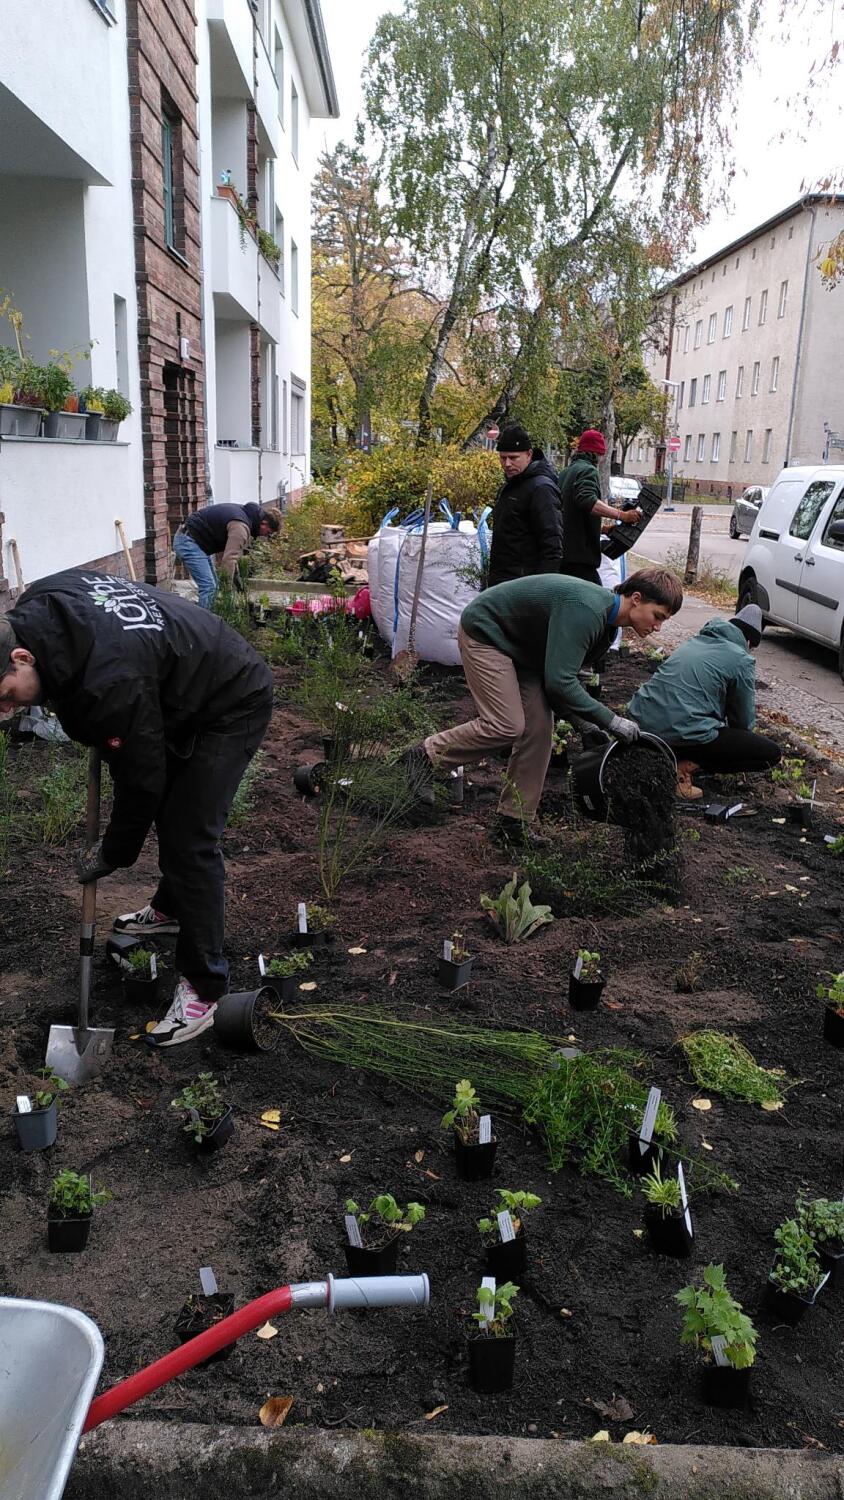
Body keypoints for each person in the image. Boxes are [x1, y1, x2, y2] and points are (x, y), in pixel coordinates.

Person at [0, 569, 273, 1046]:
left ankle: (206, 988)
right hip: (172, 686)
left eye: (4, 696)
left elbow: (141, 782)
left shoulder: (108, 683)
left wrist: (113, 854)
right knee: (175, 813)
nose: (5, 711)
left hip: (230, 699)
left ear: (22, 656)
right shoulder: (42, 601)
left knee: (190, 840)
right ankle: (169, 910)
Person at [404, 568, 683, 844]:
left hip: (524, 649)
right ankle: (425, 755)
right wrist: (611, 721)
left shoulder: (607, 628)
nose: (657, 626)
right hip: (488, 632)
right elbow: (560, 682)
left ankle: (513, 822)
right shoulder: (587, 610)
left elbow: (557, 681)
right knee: (505, 724)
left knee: (539, 729)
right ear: (636, 598)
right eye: (657, 616)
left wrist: (583, 724)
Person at [628, 603, 781, 800]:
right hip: (678, 730)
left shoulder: (696, 641)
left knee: (692, 725)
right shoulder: (741, 658)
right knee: (770, 753)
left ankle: (662, 759)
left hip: (641, 722)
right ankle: (680, 769)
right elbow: (743, 722)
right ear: (750, 642)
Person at [559, 430, 642, 584]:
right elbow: (587, 501)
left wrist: (602, 530)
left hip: (563, 552)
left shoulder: (566, 472)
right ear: (598, 454)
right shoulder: (588, 470)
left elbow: (571, 514)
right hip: (580, 558)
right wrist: (621, 515)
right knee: (599, 602)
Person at [486, 424, 562, 586]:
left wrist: (539, 591)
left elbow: (552, 545)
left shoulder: (541, 488)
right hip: (504, 582)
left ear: (529, 454)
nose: (507, 464)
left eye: (513, 458)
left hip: (524, 587)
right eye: (502, 457)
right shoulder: (512, 485)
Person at [173, 502, 280, 609]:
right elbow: (229, 559)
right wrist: (227, 593)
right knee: (209, 587)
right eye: (268, 532)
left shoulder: (246, 515)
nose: (266, 535)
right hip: (189, 541)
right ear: (264, 523)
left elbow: (232, 556)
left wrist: (237, 581)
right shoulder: (241, 528)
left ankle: (210, 617)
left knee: (213, 586)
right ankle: (203, 623)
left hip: (196, 540)